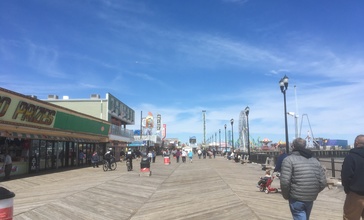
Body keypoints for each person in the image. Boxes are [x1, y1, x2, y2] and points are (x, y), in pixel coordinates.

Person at [280, 138, 326, 220]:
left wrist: (286, 195)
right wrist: (313, 191)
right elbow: (323, 182)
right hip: (310, 197)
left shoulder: (288, 160)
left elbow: (285, 182)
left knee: (299, 216)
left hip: (296, 197)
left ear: (293, 146)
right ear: (305, 146)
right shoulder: (315, 160)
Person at [341, 134, 364, 220]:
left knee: (350, 218)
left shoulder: (351, 157)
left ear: (356, 143)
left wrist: (347, 190)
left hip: (355, 194)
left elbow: (346, 176)